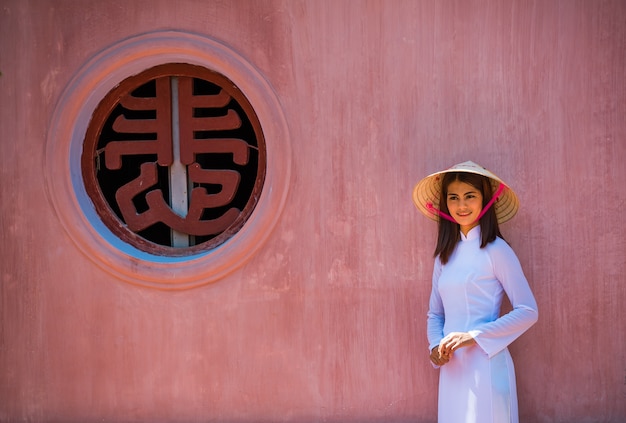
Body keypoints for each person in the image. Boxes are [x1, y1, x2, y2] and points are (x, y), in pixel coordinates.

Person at [412, 160, 538, 423]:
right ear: (445, 204)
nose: (461, 205)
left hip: (487, 367)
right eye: (454, 198)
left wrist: (473, 336)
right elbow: (435, 314)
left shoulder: (497, 250)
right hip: (452, 371)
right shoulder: (444, 257)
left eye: (470, 196)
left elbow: (528, 311)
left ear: (485, 200)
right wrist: (435, 346)